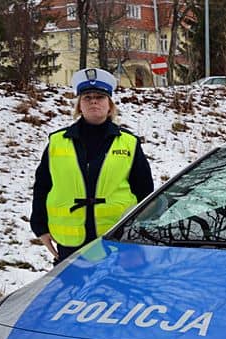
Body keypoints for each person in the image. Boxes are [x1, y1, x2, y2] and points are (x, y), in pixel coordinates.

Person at [30, 67, 154, 264]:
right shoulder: (57, 142)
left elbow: (145, 191)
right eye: (87, 97)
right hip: (70, 241)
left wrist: (140, 233)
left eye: (100, 97)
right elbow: (42, 186)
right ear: (79, 105)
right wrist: (40, 227)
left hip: (116, 237)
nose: (93, 101)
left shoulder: (129, 143)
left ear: (110, 105)